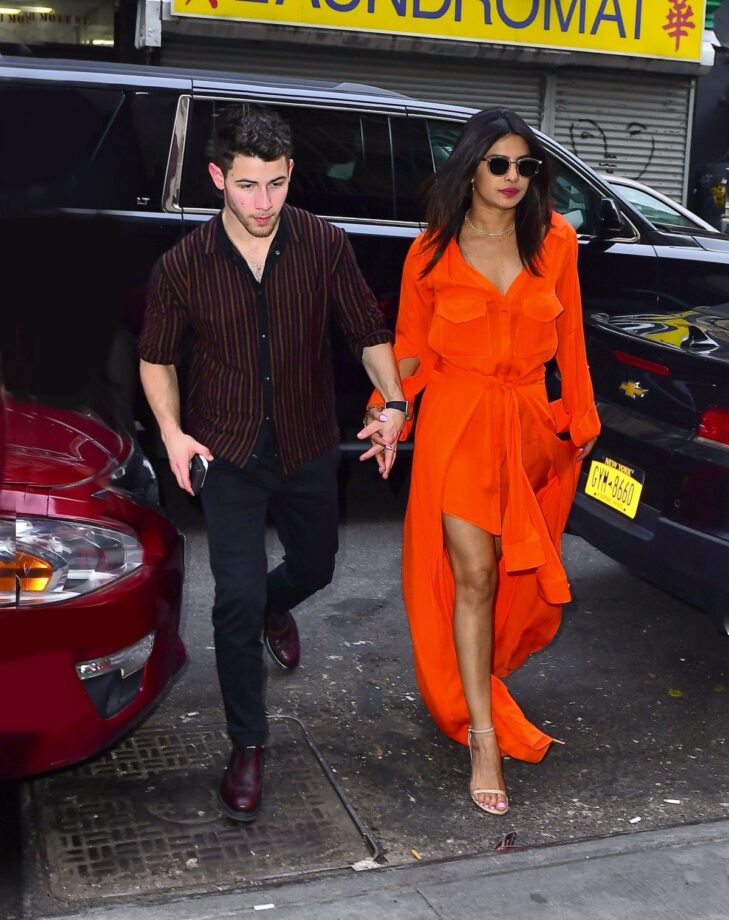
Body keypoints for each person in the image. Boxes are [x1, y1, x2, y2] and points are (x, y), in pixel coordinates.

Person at [139, 106, 406, 822]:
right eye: (249, 186)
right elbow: (157, 358)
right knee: (232, 598)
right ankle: (247, 744)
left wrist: (395, 401)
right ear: (217, 177)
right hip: (223, 451)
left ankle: (276, 605)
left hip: (307, 441)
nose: (264, 204)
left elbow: (365, 329)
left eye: (278, 184)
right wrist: (170, 433)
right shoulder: (182, 265)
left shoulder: (321, 243)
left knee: (315, 566)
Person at [360, 108, 600, 815]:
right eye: (499, 164)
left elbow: (570, 338)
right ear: (469, 168)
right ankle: (483, 738)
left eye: (526, 166)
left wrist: (579, 420)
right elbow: (411, 350)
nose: (513, 178)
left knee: (508, 574)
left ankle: (481, 676)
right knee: (472, 573)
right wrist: (386, 417)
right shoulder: (430, 251)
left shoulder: (555, 240)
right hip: (458, 425)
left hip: (526, 424)